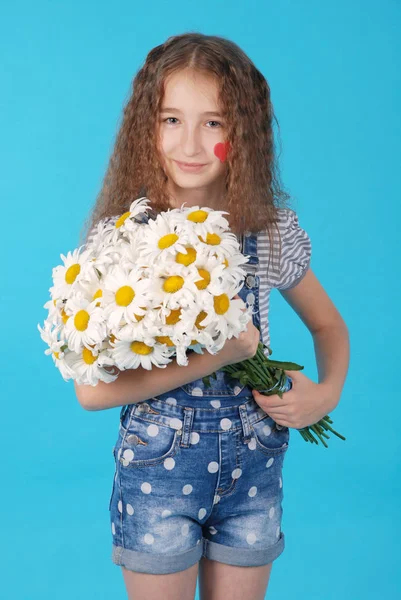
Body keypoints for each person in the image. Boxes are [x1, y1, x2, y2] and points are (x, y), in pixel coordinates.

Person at [75, 32, 350, 600]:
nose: (191, 143)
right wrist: (222, 356)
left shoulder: (266, 232)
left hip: (254, 468)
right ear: (145, 129)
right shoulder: (127, 241)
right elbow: (91, 392)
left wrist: (326, 394)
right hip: (159, 470)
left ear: (242, 133)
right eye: (171, 119)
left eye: (215, 123)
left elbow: (329, 327)